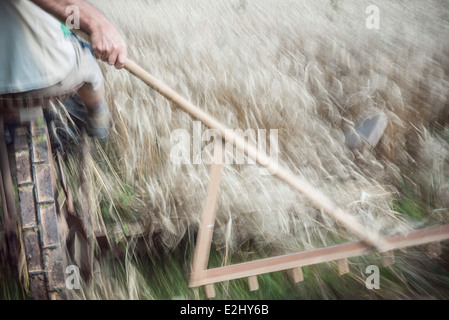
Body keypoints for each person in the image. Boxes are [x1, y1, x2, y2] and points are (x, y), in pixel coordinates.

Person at [0, 0, 127, 141]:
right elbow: (68, 21)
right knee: (87, 57)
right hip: (46, 80)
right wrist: (99, 24)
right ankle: (97, 115)